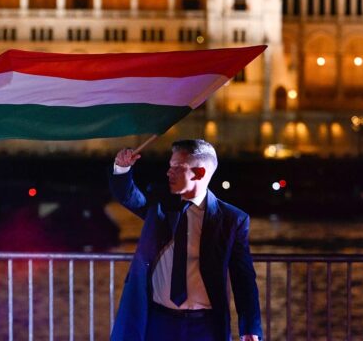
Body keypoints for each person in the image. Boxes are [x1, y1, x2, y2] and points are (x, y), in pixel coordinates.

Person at [109, 139, 262, 341]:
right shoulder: (159, 205)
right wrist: (122, 168)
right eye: (169, 165)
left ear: (199, 173)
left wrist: (249, 328)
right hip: (157, 321)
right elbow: (129, 197)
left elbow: (243, 277)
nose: (168, 172)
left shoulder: (233, 219)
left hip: (206, 327)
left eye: (176, 167)